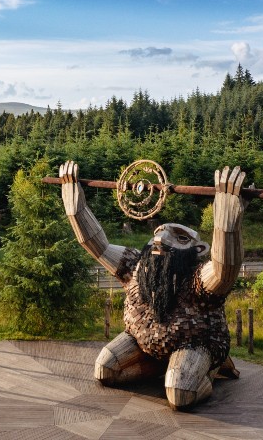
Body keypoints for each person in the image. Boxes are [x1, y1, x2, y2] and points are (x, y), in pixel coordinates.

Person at [59, 161, 247, 410]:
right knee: (105, 368)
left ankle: (208, 368)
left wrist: (225, 223)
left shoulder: (198, 279)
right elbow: (98, 247)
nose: (161, 238)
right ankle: (162, 364)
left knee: (180, 392)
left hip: (194, 344)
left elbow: (225, 269)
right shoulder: (135, 265)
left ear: (197, 250)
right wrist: (75, 208)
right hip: (141, 340)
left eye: (179, 237)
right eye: (158, 232)